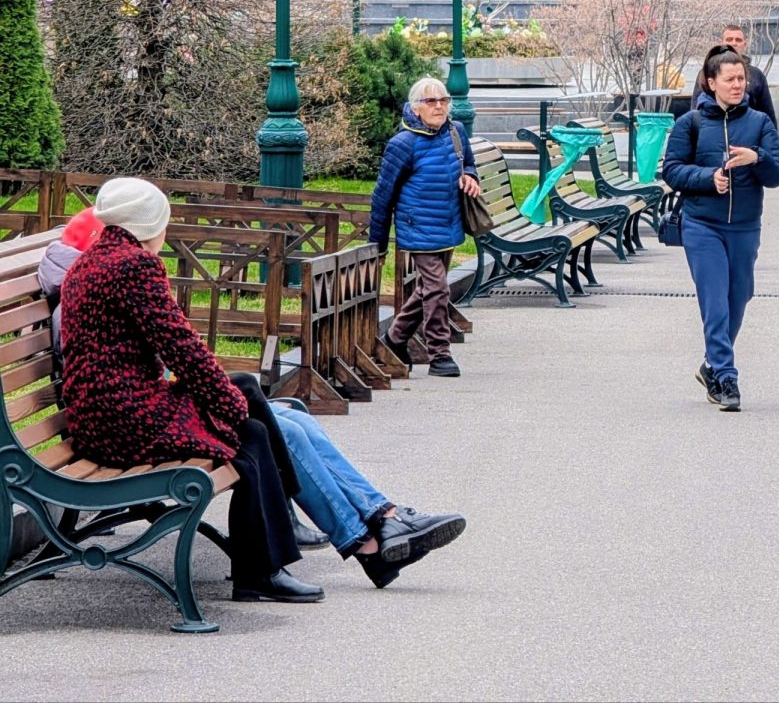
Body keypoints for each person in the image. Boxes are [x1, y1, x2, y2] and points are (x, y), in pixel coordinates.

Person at [61, 178, 466, 599]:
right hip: (126, 422)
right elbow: (184, 352)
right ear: (150, 224)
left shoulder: (93, 262)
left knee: (248, 395)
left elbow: (175, 353)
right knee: (252, 432)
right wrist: (233, 409)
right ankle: (272, 568)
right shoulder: (132, 267)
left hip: (112, 413)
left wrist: (234, 401)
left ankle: (347, 536)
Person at [662, 49, 779, 412]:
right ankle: (726, 377)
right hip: (702, 225)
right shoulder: (691, 123)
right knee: (715, 302)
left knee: (739, 296)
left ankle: (711, 363)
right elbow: (671, 170)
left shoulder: (760, 123)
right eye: (729, 79)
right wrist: (707, 178)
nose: (737, 85)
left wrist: (757, 158)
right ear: (711, 83)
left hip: (745, 226)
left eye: (741, 78)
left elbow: (778, 174)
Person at [370, 76, 482, 378]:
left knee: (428, 289)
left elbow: (468, 164)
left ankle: (394, 339)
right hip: (417, 227)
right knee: (437, 288)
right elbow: (383, 196)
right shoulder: (402, 145)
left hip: (448, 222)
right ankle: (439, 355)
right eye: (430, 101)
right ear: (415, 108)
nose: (439, 106)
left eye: (443, 100)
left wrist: (470, 177)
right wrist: (377, 243)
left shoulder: (456, 132)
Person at [691, 24, 777, 131]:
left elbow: (768, 114)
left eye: (738, 40)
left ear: (744, 44)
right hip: (713, 132)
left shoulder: (757, 75)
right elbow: (696, 108)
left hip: (748, 134)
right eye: (729, 39)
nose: (734, 43)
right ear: (721, 42)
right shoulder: (708, 72)